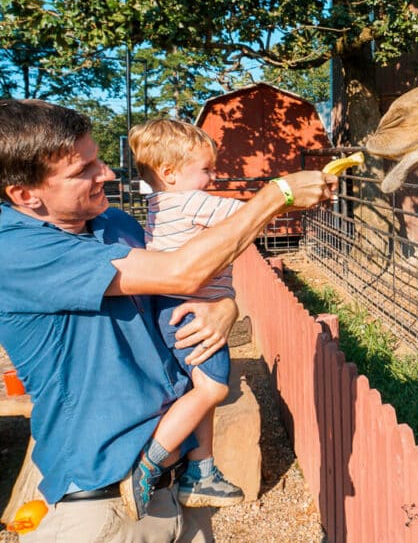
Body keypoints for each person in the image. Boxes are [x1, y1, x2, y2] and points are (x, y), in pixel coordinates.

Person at [0, 99, 335, 541]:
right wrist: (277, 196)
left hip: (176, 486)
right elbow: (182, 271)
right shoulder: (15, 252)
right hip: (101, 507)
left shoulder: (113, 223)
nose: (108, 174)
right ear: (26, 195)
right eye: (84, 170)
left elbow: (187, 272)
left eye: (98, 159)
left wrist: (225, 306)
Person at [125, 118, 245, 514]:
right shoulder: (191, 201)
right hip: (191, 310)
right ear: (170, 173)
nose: (213, 177)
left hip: (171, 308)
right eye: (206, 169)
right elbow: (250, 216)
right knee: (213, 390)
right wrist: (291, 193)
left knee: (200, 389)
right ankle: (149, 461)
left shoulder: (160, 202)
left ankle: (201, 472)